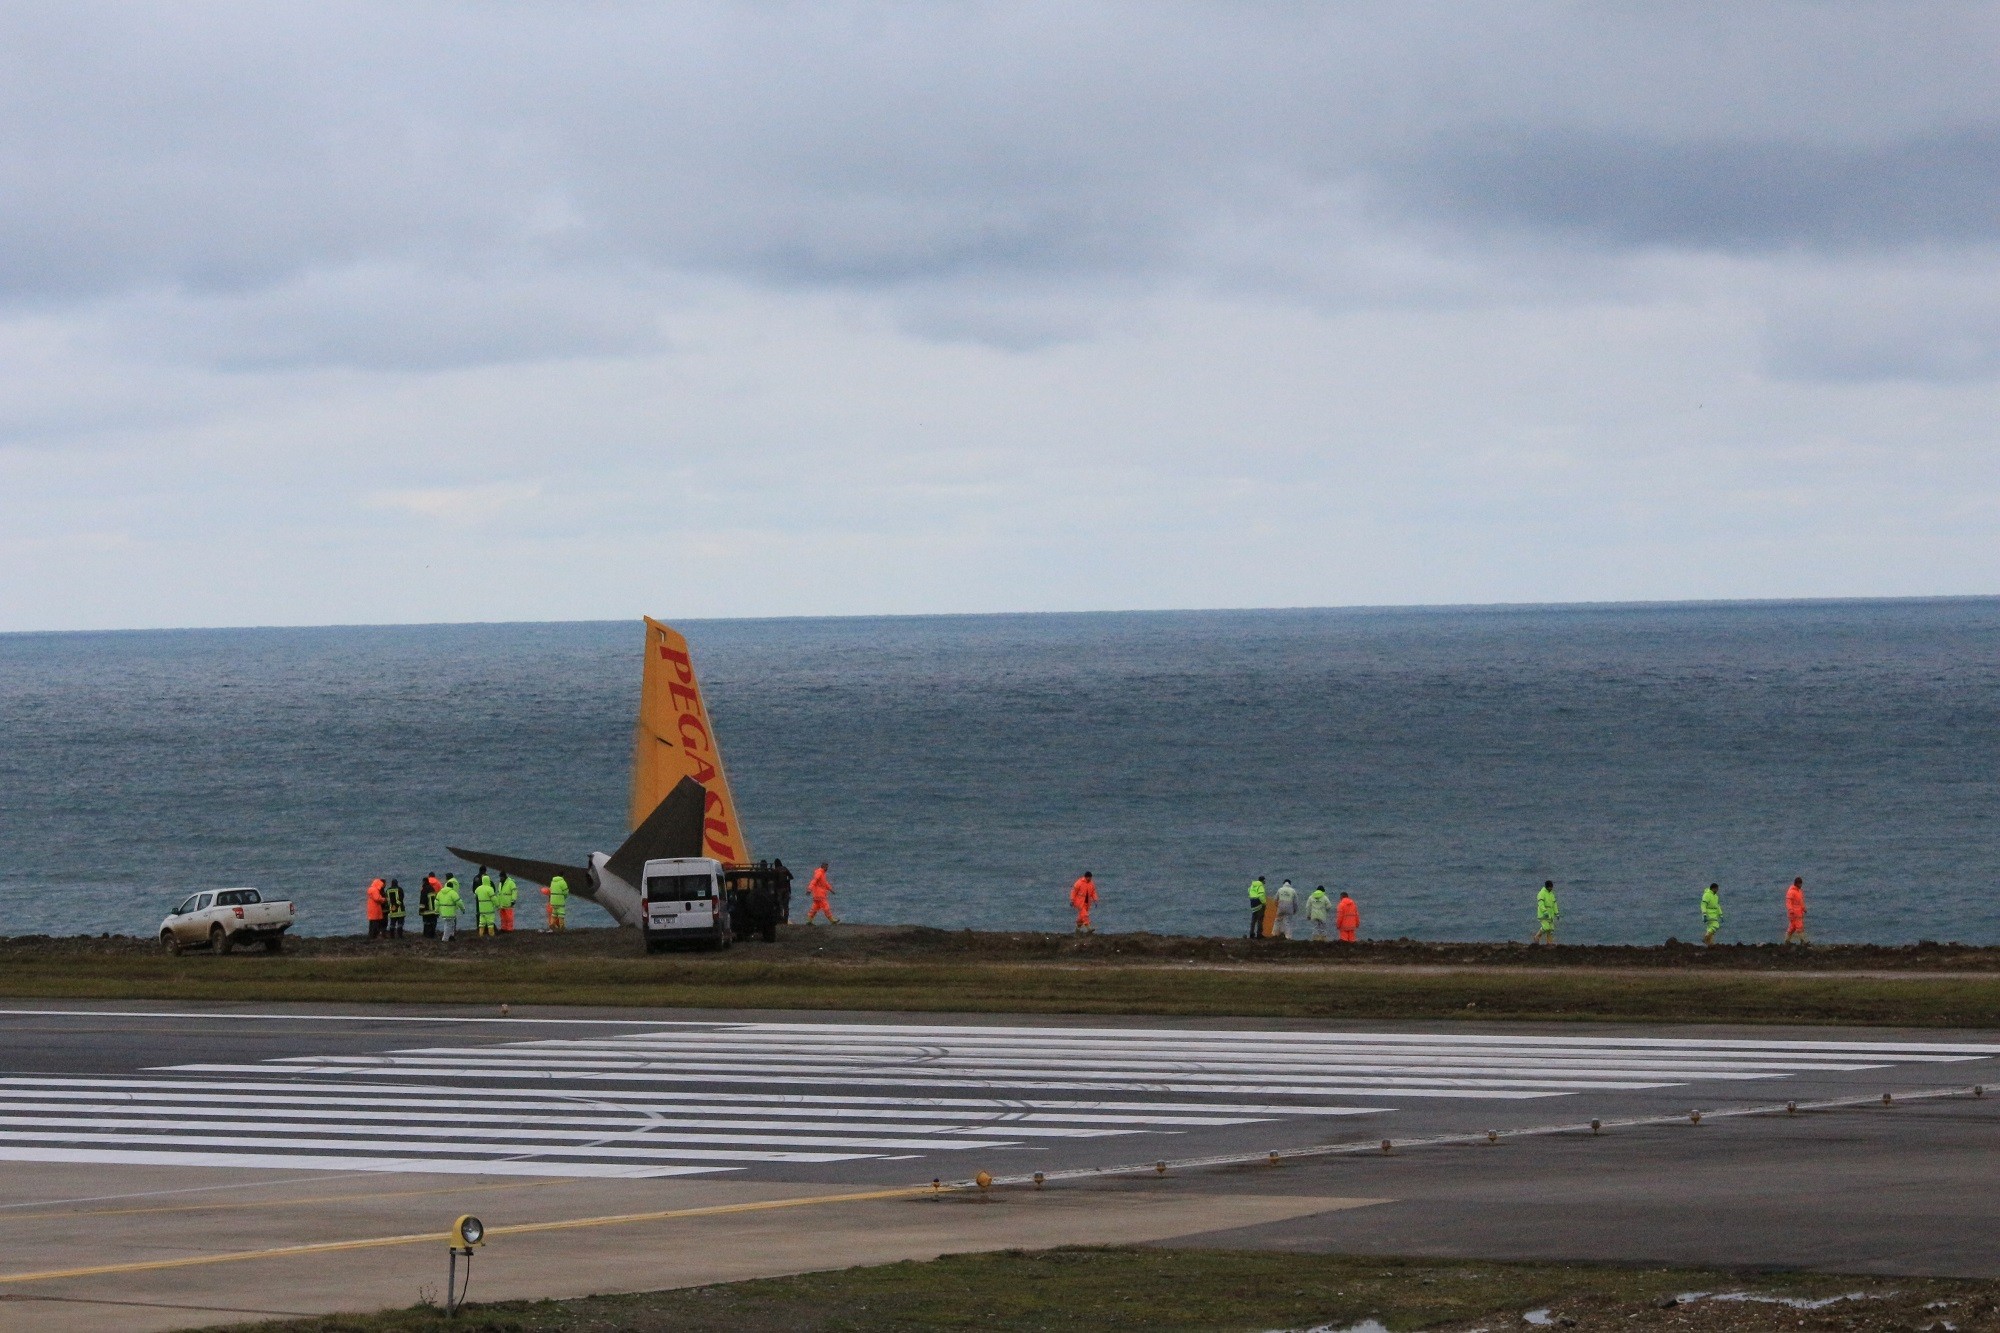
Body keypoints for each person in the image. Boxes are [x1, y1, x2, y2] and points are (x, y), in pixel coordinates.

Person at [435, 874, 463, 942]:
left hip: (445, 908)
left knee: (447, 923)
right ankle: (451, 935)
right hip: (453, 906)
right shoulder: (456, 883)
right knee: (452, 922)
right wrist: (462, 908)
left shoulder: (446, 887)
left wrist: (437, 910)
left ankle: (445, 938)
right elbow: (458, 900)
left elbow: (437, 901)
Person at [1533, 880, 1559, 945]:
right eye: (1550, 887)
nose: (1551, 888)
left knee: (1550, 929)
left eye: (1552, 887)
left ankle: (1549, 942)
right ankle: (1537, 936)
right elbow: (1541, 903)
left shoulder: (1552, 894)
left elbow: (1554, 904)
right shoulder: (1541, 893)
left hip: (1551, 914)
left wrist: (1556, 913)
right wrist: (1544, 911)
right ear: (1547, 887)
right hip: (1543, 914)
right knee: (1546, 927)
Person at [473, 872, 497, 937]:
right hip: (489, 910)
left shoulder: (478, 889)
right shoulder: (490, 889)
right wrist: (498, 905)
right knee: (490, 924)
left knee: (481, 923)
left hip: (481, 909)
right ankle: (491, 935)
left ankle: (481, 935)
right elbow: (494, 899)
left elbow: (475, 896)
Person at [1785, 876, 1807, 945]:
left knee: (1792, 927)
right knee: (1799, 926)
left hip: (1798, 912)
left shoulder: (1799, 891)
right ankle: (1803, 941)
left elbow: (1801, 902)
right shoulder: (1791, 892)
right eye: (1800, 884)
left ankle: (1787, 941)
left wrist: (1804, 908)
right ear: (1797, 884)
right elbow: (1788, 902)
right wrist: (1790, 910)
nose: (1801, 885)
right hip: (1793, 913)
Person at [418, 873, 441, 939]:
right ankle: (432, 935)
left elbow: (422, 900)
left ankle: (426, 935)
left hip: (426, 911)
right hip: (433, 910)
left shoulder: (424, 890)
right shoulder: (432, 888)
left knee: (426, 923)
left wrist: (421, 910)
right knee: (433, 923)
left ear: (424, 882)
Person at [773, 858, 795, 923]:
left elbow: (774, 880)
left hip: (779, 889)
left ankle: (780, 919)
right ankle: (786, 920)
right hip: (786, 889)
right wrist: (787, 880)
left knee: (780, 905)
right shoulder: (785, 868)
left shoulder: (775, 870)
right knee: (786, 905)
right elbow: (791, 877)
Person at [1701, 882, 1722, 946]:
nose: (1717, 890)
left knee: (1710, 928)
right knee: (1716, 925)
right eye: (1717, 889)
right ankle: (1706, 937)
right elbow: (1703, 905)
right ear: (1713, 888)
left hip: (1714, 914)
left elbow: (1717, 906)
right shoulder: (1706, 895)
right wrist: (1704, 914)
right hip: (1708, 914)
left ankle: (1710, 943)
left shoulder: (1716, 896)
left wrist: (1721, 914)